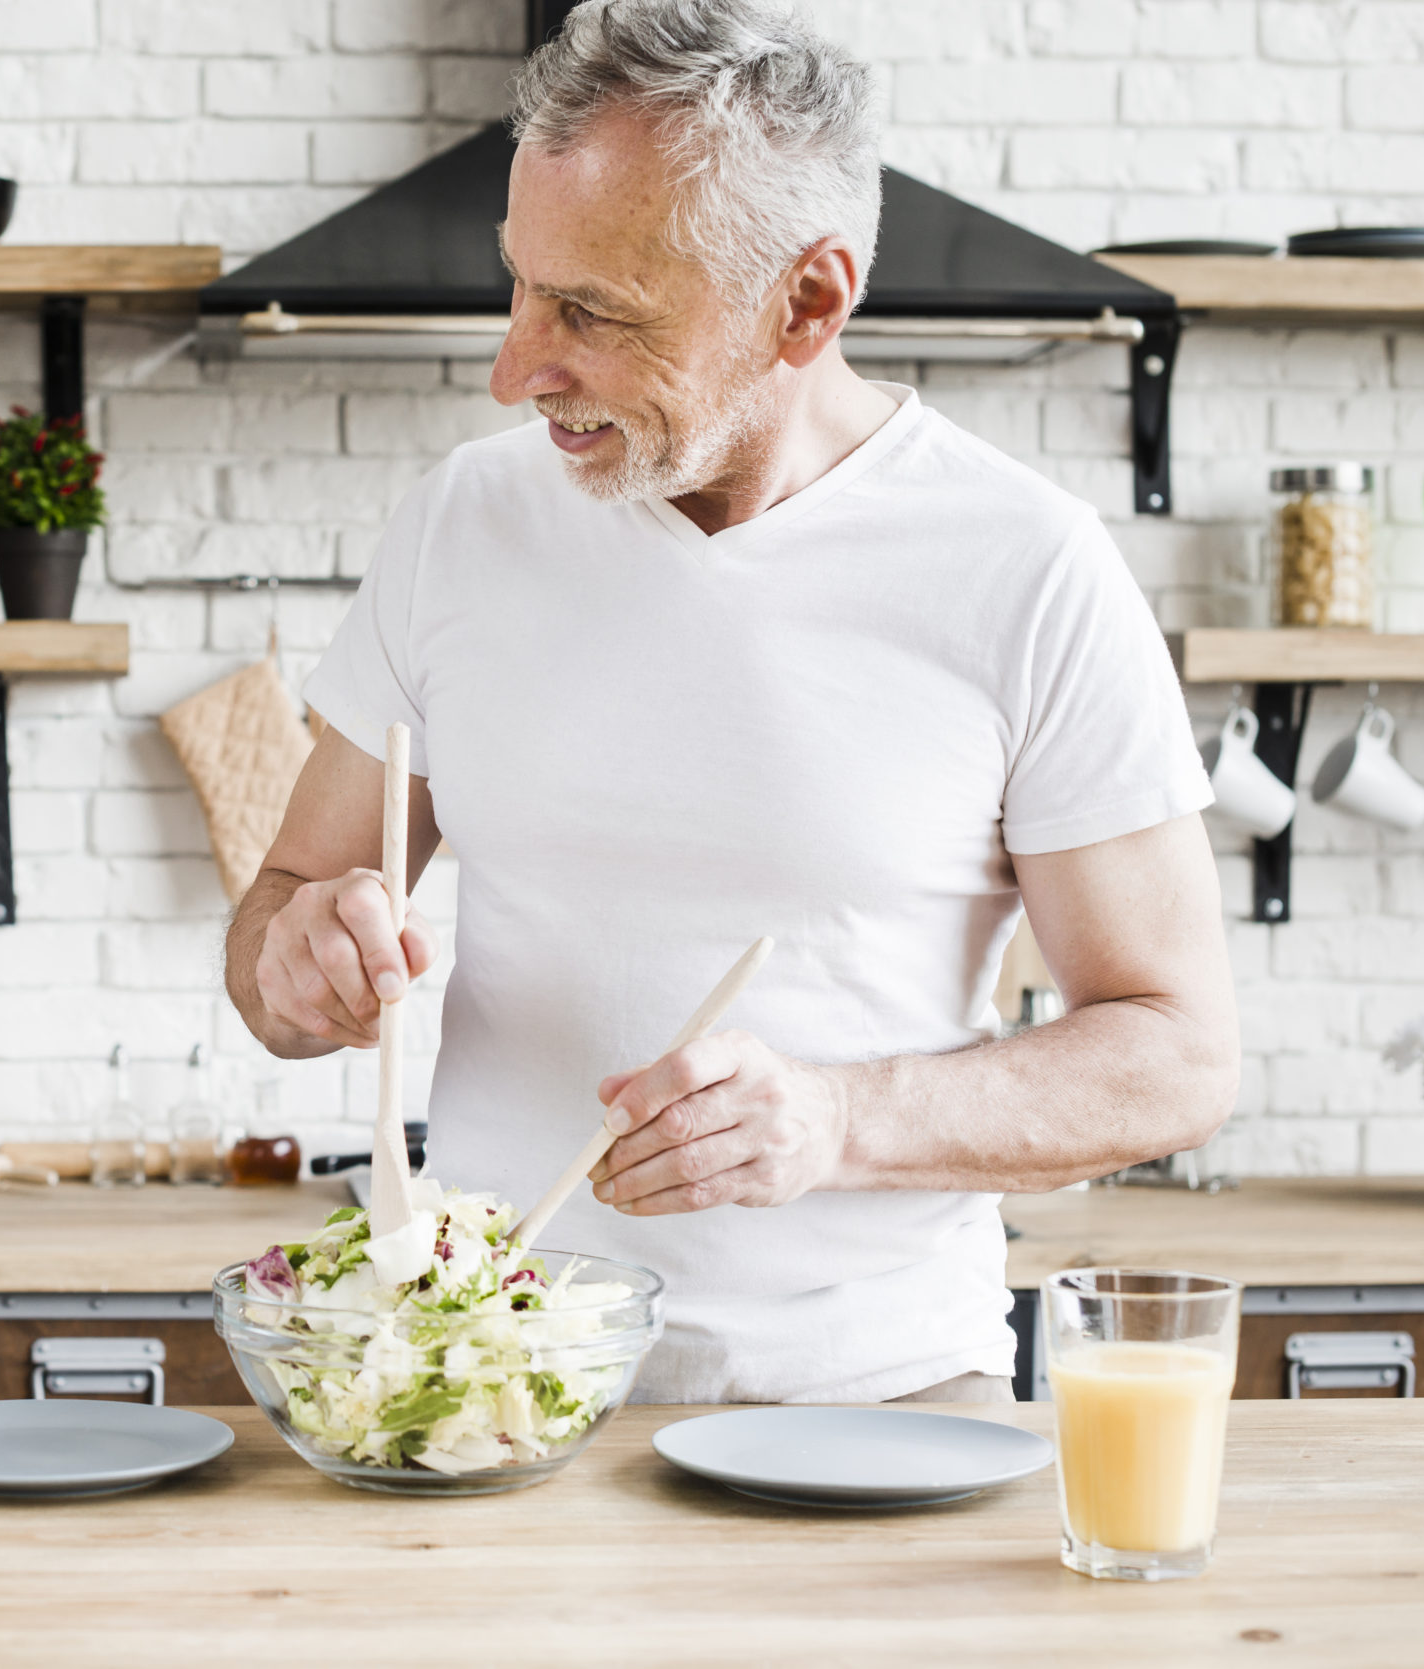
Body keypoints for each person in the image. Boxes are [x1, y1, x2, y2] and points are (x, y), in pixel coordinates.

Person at [225, 0, 1236, 1404]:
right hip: (494, 1399)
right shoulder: (460, 523)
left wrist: (837, 1119)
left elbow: (1175, 1054)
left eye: (592, 311)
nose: (514, 369)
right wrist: (294, 965)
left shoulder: (1028, 568)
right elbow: (278, 923)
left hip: (878, 1401)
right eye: (520, 285)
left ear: (807, 302)